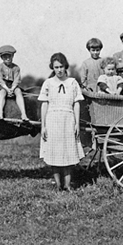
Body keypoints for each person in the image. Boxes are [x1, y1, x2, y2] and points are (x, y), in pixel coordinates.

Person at [39, 53, 85, 191]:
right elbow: (44, 104)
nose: (59, 70)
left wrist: (77, 123)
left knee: (68, 151)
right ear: (52, 68)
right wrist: (43, 126)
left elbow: (76, 104)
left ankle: (68, 184)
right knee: (54, 152)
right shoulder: (48, 83)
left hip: (68, 119)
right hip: (52, 119)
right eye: (56, 67)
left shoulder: (72, 82)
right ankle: (58, 185)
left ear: (66, 67)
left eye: (61, 67)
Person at [0, 45, 29, 121]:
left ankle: (23, 114)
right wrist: (7, 89)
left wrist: (12, 89)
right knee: (2, 93)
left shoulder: (16, 68)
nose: (8, 58)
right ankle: (0, 113)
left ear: (12, 56)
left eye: (9, 56)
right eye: (5, 57)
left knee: (19, 91)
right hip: (3, 85)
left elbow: (16, 80)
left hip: (13, 85)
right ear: (2, 58)